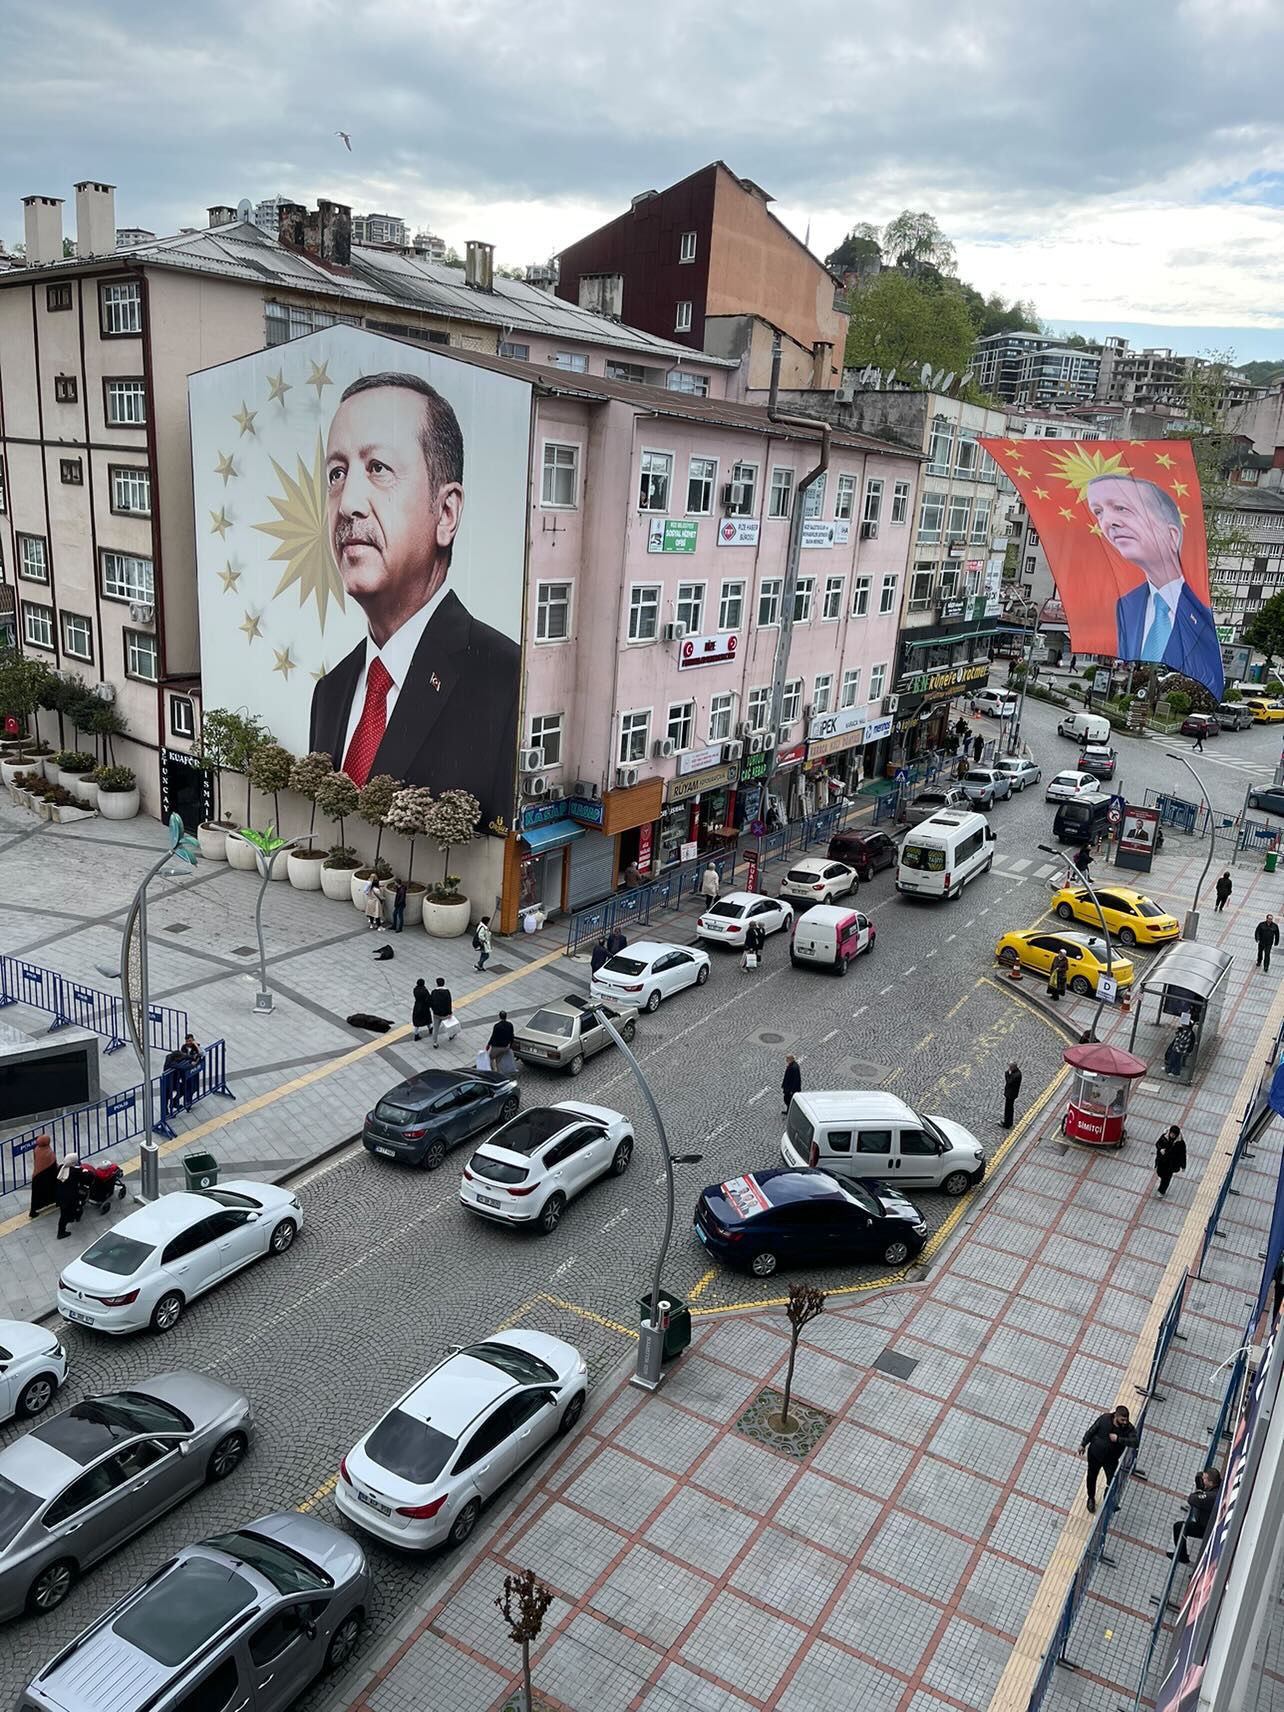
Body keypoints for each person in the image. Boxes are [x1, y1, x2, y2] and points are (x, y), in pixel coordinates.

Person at [307, 372, 520, 820]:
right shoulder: (331, 692)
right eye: (337, 474)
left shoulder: (507, 683)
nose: (347, 504)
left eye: (378, 469)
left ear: (446, 513)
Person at [1088, 474, 1223, 696]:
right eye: (1098, 512)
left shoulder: (1198, 613)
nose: (1107, 522)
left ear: (1172, 535)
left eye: (1121, 508)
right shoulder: (1126, 604)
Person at [1078, 1403, 1138, 1513]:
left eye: (1126, 1420)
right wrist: (1083, 1444)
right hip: (1095, 1455)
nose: (1125, 1422)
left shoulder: (1128, 1427)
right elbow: (1091, 1431)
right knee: (1091, 1477)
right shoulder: (1104, 1419)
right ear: (1116, 1416)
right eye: (1122, 1420)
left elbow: (1135, 1442)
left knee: (1112, 1481)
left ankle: (1108, 1501)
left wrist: (1118, 1439)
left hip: (1111, 1460)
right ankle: (1091, 1498)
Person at [1169, 1468, 1222, 1564]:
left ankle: (1182, 1557)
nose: (1202, 1480)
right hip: (1209, 1523)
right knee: (1179, 1527)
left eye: (1205, 1479)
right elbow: (1199, 1475)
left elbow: (1192, 1499)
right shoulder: (1218, 1486)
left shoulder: (1211, 1497)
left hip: (1207, 1529)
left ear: (1210, 1483)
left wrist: (1199, 1489)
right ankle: (1182, 1555)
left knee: (1179, 1527)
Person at [28, 1132, 57, 1219]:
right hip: (47, 1175)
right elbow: (53, 1164)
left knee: (36, 1194)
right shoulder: (49, 1152)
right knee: (52, 1188)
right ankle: (55, 1201)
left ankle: (33, 1211)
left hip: (37, 1175)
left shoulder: (37, 1149)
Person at [55, 1155, 82, 1241]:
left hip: (61, 1196)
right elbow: (84, 1178)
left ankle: (70, 1219)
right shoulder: (75, 1171)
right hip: (70, 1198)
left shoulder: (61, 1167)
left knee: (63, 1213)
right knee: (64, 1215)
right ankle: (61, 1232)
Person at [1155, 1124, 1187, 1195]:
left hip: (1171, 1164)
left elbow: (1183, 1155)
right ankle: (1162, 1184)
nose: (1172, 1136)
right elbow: (1157, 1143)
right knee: (1160, 1173)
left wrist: (1183, 1166)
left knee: (1166, 1179)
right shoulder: (1164, 1137)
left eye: (1174, 1135)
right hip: (1162, 1161)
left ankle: (1161, 1191)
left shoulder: (1180, 1143)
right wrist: (1160, 1149)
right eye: (1171, 1134)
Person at [428, 976, 453, 1047]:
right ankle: (451, 1035)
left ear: (437, 984)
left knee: (435, 1028)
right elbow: (449, 1002)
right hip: (445, 1013)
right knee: (449, 1025)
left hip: (436, 1014)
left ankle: (435, 1042)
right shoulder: (447, 992)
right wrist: (450, 1012)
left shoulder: (433, 992)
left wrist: (433, 1010)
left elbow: (431, 1002)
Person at [1002, 1062, 1022, 1129]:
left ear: (1013, 1067)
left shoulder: (1016, 1075)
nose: (1009, 1069)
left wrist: (1007, 1074)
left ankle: (1007, 1124)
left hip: (1011, 1094)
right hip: (1012, 1094)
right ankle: (1008, 1122)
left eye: (1010, 1067)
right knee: (1009, 1108)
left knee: (1008, 1109)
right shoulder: (1017, 1073)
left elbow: (1009, 1082)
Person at [412, 977, 432, 1042]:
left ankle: (416, 1034)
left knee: (417, 1022)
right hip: (424, 1007)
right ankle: (430, 1029)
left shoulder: (415, 990)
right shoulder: (425, 991)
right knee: (427, 1019)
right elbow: (428, 998)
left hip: (417, 1006)